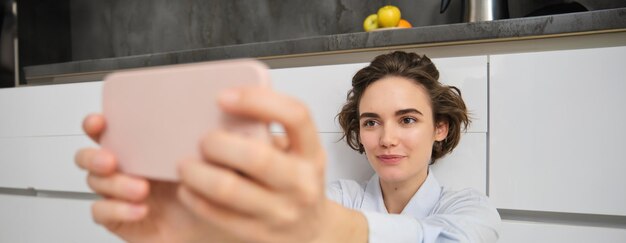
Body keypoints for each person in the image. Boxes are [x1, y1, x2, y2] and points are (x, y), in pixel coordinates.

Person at [75, 51, 500, 243]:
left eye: (407, 119)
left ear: (440, 128)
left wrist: (331, 232)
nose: (386, 138)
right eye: (371, 122)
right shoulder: (336, 198)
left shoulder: (471, 210)